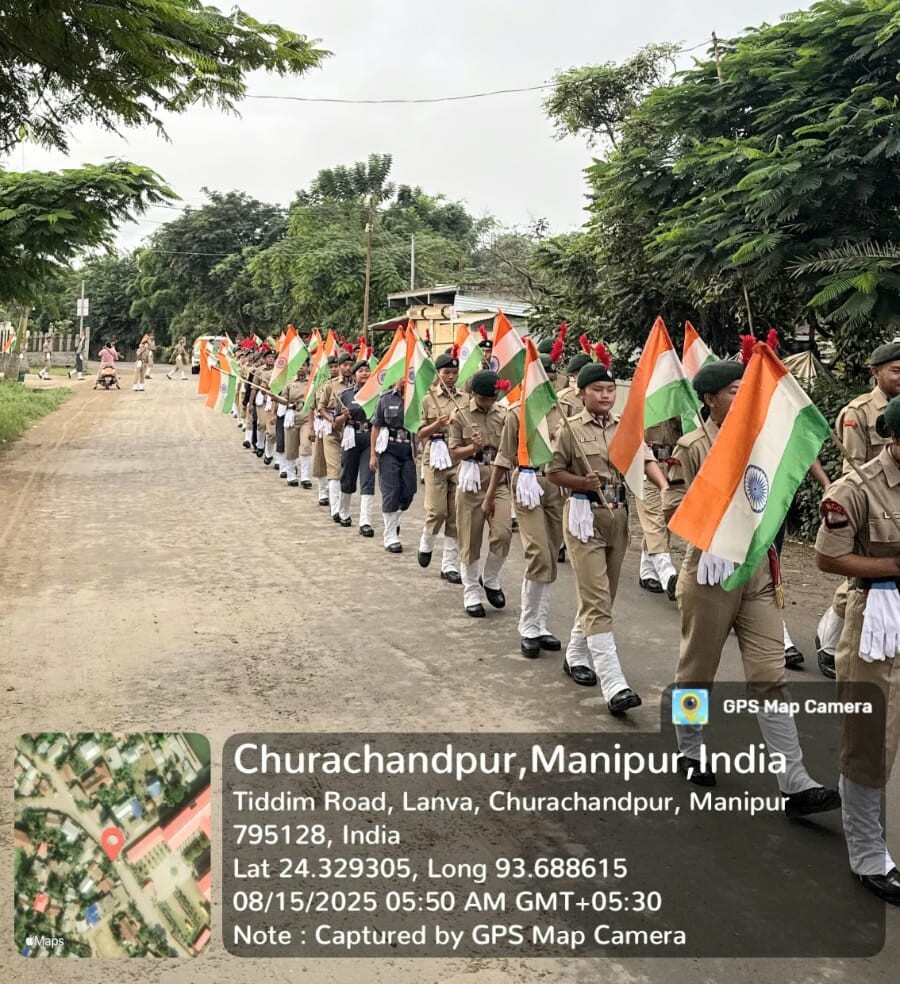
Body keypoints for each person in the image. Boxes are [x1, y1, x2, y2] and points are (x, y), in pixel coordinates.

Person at [663, 360, 841, 819]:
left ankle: (794, 780)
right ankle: (691, 748)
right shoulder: (691, 446)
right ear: (710, 399)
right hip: (711, 571)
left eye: (747, 389)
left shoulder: (761, 439)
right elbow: (673, 508)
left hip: (759, 570)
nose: (744, 397)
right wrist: (714, 535)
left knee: (770, 676)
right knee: (696, 670)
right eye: (733, 391)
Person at [814, 394, 900, 904]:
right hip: (878, 621)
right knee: (870, 739)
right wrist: (892, 567)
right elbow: (829, 560)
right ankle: (868, 852)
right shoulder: (855, 490)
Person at [548, 356, 668, 714]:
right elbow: (553, 472)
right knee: (597, 598)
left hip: (618, 515)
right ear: (582, 393)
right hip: (584, 517)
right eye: (598, 390)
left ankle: (575, 653)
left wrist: (664, 488)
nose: (605, 395)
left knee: (605, 595)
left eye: (610, 389)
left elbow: (645, 459)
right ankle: (614, 683)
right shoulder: (569, 429)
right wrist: (580, 482)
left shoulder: (624, 427)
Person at [817, 341, 900, 678]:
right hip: (873, 502)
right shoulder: (860, 411)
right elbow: (853, 466)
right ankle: (830, 642)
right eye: (895, 370)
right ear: (875, 372)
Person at [485, 353, 565, 656]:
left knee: (552, 553)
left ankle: (541, 624)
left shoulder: (565, 411)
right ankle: (529, 625)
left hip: (557, 485)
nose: (548, 383)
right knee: (538, 553)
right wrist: (490, 496)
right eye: (542, 378)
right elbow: (504, 457)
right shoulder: (517, 413)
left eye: (552, 378)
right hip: (528, 483)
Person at [449, 370, 512, 616]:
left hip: (498, 478)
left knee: (503, 532)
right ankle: (471, 591)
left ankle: (491, 578)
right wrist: (471, 448)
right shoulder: (460, 414)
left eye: (492, 398)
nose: (488, 402)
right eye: (484, 398)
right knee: (470, 538)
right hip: (471, 480)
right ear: (474, 394)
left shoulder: (504, 414)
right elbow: (454, 452)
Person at [417, 350, 463, 582]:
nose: (451, 377)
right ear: (438, 374)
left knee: (456, 513)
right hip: (435, 455)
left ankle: (449, 564)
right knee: (438, 510)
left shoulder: (464, 399)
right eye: (447, 373)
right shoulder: (427, 398)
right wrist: (437, 423)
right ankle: (426, 542)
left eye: (455, 372)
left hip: (458, 456)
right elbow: (420, 432)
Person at [636, 417, 681, 600]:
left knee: (665, 518)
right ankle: (668, 576)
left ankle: (647, 571)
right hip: (646, 467)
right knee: (654, 518)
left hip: (673, 468)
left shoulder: (679, 403)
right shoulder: (642, 404)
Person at [370, 378, 417, 553]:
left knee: (409, 491)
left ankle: (394, 518)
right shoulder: (385, 398)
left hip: (408, 449)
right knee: (391, 490)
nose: (405, 379)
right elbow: (376, 427)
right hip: (389, 448)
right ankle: (390, 535)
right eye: (402, 375)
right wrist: (373, 454)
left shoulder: (417, 397)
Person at [338, 360, 377, 535]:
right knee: (348, 476)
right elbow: (336, 422)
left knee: (368, 478)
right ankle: (344, 512)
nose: (365, 373)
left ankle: (365, 521)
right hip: (351, 438)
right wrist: (343, 416)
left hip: (369, 438)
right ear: (354, 375)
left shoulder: (377, 394)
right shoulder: (346, 395)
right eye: (361, 371)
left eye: (367, 370)